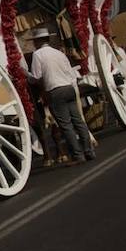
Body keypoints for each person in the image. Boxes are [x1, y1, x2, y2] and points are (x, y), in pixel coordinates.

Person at [28, 29, 95, 163]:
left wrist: (26, 74)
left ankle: (77, 155)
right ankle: (89, 151)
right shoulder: (59, 53)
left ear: (38, 41)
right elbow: (71, 74)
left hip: (55, 91)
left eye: (35, 41)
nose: (34, 43)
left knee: (66, 125)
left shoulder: (37, 54)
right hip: (69, 88)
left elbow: (36, 76)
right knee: (78, 121)